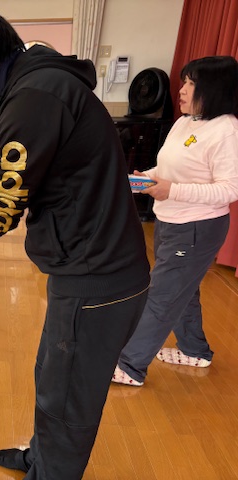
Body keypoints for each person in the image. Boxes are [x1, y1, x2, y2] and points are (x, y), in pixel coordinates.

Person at [0, 2, 150, 478]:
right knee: (53, 378)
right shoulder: (37, 80)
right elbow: (9, 191)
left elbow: (1, 208)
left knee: (68, 401)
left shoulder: (34, 97)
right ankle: (40, 457)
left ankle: (51, 469)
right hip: (87, 265)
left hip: (97, 277)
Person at [112, 56, 238, 387]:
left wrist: (173, 190)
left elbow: (230, 189)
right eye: (184, 82)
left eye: (190, 83)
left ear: (213, 89)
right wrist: (144, 179)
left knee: (162, 295)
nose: (181, 90)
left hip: (197, 227)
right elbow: (168, 168)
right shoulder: (185, 122)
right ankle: (195, 350)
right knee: (183, 289)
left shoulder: (226, 130)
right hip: (170, 219)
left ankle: (130, 365)